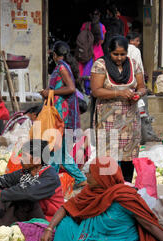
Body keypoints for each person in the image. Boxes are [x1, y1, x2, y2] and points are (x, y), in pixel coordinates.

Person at [41, 156, 163, 241]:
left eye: (91, 173)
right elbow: (66, 207)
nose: (87, 176)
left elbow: (149, 223)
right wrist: (49, 228)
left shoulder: (124, 195)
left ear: (102, 176)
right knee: (66, 223)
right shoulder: (90, 192)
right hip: (92, 236)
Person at [90, 35, 147, 183]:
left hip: (130, 119)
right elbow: (96, 90)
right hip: (107, 118)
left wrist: (138, 94)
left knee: (129, 155)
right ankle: (108, 188)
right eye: (116, 54)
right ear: (109, 51)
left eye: (123, 54)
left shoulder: (134, 64)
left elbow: (142, 86)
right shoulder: (100, 65)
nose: (120, 57)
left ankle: (126, 186)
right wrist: (119, 93)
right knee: (108, 155)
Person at [0, 140, 64, 227]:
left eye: (24, 155)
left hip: (47, 221)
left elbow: (28, 192)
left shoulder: (50, 176)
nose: (21, 158)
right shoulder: (24, 173)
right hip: (26, 215)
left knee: (23, 197)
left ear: (36, 160)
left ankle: (2, 226)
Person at [40, 41, 87, 188]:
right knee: (59, 152)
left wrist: (51, 92)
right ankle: (75, 179)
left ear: (54, 55)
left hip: (62, 115)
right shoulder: (64, 67)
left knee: (56, 150)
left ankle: (52, 182)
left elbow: (71, 88)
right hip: (61, 113)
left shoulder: (61, 67)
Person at [78, 9, 107, 96]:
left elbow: (81, 39)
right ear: (99, 16)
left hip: (86, 52)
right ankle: (96, 92)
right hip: (97, 53)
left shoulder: (84, 25)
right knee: (98, 73)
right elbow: (102, 41)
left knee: (86, 73)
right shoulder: (102, 27)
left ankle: (86, 93)